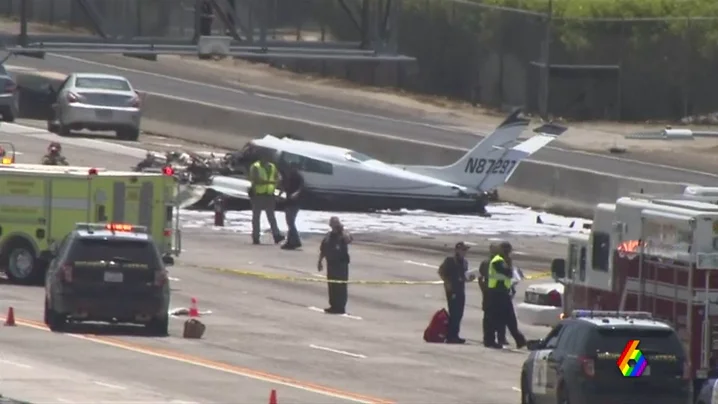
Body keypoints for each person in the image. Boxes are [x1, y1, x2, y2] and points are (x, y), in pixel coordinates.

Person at [486, 241, 526, 349]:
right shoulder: (498, 260)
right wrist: (511, 268)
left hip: (503, 292)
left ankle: (519, 339)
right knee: (496, 318)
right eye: (506, 250)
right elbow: (507, 272)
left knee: (509, 318)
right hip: (496, 292)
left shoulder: (503, 260)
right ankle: (490, 340)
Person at [317, 217, 353, 314]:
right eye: (332, 223)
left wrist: (342, 231)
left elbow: (348, 239)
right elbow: (323, 249)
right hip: (331, 264)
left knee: (340, 286)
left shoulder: (343, 235)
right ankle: (333, 305)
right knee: (332, 285)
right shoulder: (328, 236)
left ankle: (340, 307)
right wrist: (320, 261)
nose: (334, 225)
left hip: (341, 264)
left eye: (336, 223)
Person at [438, 242, 471, 344]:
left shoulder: (465, 262)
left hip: (461, 289)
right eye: (463, 250)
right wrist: (447, 283)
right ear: (457, 250)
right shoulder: (450, 261)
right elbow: (441, 272)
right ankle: (451, 336)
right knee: (454, 313)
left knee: (459, 314)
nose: (464, 252)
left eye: (465, 250)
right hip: (452, 290)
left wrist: (469, 279)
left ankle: (455, 335)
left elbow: (464, 276)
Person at [249, 151, 284, 245]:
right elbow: (256, 180)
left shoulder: (272, 166)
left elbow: (278, 176)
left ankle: (277, 236)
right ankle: (256, 237)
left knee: (271, 217)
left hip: (269, 195)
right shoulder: (256, 167)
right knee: (256, 217)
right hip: (258, 194)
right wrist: (272, 182)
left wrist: (278, 181)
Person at [480, 243, 508, 347]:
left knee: (490, 316)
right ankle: (490, 339)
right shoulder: (496, 262)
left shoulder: (487, 262)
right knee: (492, 317)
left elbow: (481, 277)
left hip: (490, 292)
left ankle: (491, 339)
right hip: (494, 292)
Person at [280, 161, 305, 250]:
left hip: (295, 202)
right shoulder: (288, 176)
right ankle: (291, 241)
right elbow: (284, 186)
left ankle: (295, 241)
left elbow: (302, 187)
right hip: (288, 201)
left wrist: (296, 193)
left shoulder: (298, 177)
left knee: (290, 221)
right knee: (289, 222)